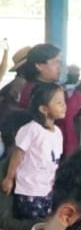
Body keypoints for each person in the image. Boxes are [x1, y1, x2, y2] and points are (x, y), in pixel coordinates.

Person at [12, 43, 81, 157]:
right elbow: (64, 114)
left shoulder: (42, 86)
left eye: (60, 62)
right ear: (39, 65)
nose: (60, 67)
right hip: (47, 154)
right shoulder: (38, 90)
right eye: (55, 62)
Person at [2, 82, 66, 220]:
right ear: (43, 109)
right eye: (58, 102)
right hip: (29, 190)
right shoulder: (31, 130)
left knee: (44, 221)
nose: (64, 106)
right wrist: (9, 178)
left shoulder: (58, 133)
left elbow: (54, 160)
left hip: (47, 189)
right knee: (32, 225)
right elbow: (17, 154)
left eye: (64, 101)